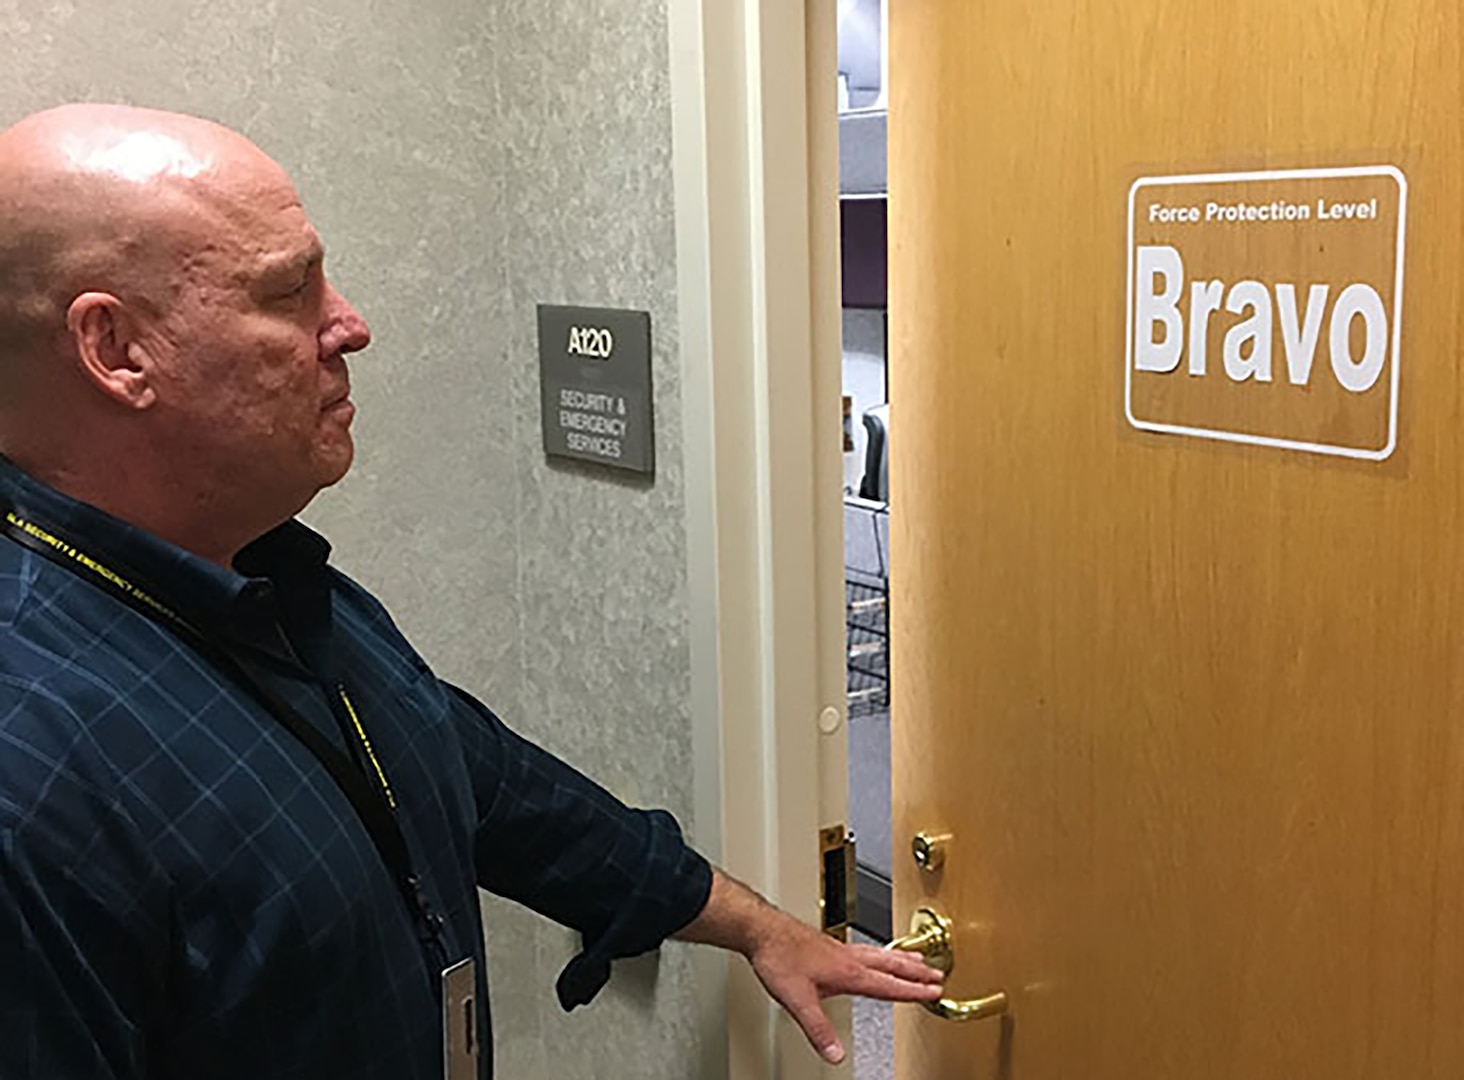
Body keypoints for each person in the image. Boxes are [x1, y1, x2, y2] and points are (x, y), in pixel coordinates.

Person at [0, 104, 942, 1080]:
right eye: (288, 291)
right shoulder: (29, 782)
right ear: (116, 351)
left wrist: (754, 924)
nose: (350, 325)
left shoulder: (270, 580)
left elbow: (484, 783)